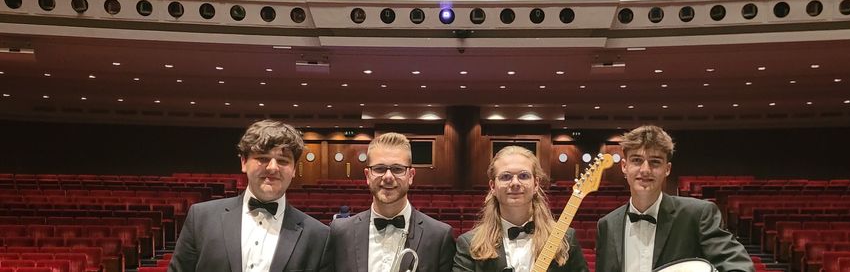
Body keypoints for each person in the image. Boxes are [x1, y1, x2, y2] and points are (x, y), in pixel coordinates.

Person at [168, 120, 333, 272]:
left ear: (294, 169)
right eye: (262, 158)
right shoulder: (201, 218)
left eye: (283, 161)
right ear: (244, 162)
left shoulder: (319, 235)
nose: (273, 168)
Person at [594, 125, 753, 272]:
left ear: (667, 169)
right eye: (636, 160)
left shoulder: (698, 215)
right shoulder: (607, 225)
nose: (645, 170)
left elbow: (740, 267)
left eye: (655, 162)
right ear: (624, 166)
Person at [328, 132, 455, 272]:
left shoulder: (439, 236)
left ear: (411, 175)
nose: (388, 177)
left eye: (397, 169)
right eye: (379, 168)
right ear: (367, 175)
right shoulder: (340, 233)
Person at [453, 146, 588, 272]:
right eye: (506, 177)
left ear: (536, 184)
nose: (515, 183)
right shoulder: (469, 244)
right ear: (493, 186)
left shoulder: (565, 238)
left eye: (523, 176)